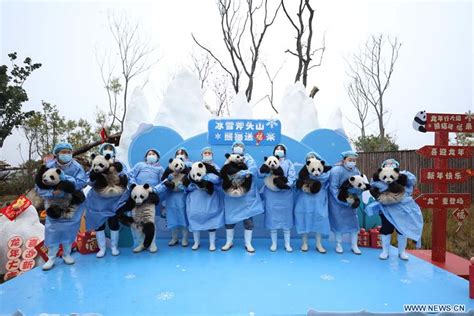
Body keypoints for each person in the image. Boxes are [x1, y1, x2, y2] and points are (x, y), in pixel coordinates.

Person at [37, 142, 87, 270]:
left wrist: (65, 179)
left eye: (68, 152)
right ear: (56, 154)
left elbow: (82, 182)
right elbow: (39, 187)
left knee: (69, 229)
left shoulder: (76, 167)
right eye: (63, 152)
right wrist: (52, 193)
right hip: (53, 203)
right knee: (52, 229)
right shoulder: (48, 166)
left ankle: (66, 254)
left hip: (72, 203)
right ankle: (51, 257)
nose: (66, 154)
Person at [365, 159, 423, 260]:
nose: (389, 166)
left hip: (402, 208)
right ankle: (385, 251)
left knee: (402, 230)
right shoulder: (378, 177)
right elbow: (373, 187)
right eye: (387, 165)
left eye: (392, 165)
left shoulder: (404, 175)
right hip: (387, 209)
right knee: (386, 229)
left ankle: (402, 252)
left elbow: (413, 180)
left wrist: (400, 175)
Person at [221, 141, 264, 253]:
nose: (238, 147)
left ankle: (248, 243)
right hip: (232, 195)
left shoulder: (248, 159)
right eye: (236, 146)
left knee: (248, 220)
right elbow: (224, 172)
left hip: (245, 195)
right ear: (232, 149)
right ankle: (229, 242)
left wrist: (245, 173)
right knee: (230, 220)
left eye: (240, 146)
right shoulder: (229, 159)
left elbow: (253, 169)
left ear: (244, 150)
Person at [86, 143, 128, 258]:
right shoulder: (97, 162)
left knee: (113, 222)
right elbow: (88, 180)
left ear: (114, 152)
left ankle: (114, 247)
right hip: (98, 200)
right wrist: (93, 176)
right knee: (98, 224)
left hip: (114, 200)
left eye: (110, 149)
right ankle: (102, 248)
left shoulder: (120, 164)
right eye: (105, 149)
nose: (108, 150)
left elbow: (126, 176)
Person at [186, 147, 224, 251]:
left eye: (209, 153)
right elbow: (188, 179)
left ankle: (212, 243)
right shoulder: (195, 165)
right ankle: (196, 243)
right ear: (201, 155)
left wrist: (206, 177)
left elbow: (219, 179)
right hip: (196, 197)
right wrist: (191, 186)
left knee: (212, 219)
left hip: (210, 197)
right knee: (194, 217)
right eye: (205, 153)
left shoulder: (215, 166)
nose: (207, 154)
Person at [259, 144, 296, 252]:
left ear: (285, 152)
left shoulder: (288, 163)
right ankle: (274, 244)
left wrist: (286, 186)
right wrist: (266, 169)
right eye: (277, 149)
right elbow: (259, 174)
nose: (279, 151)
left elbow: (292, 176)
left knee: (286, 219)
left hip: (285, 195)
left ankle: (287, 244)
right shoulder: (269, 161)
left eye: (281, 149)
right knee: (272, 219)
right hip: (271, 194)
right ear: (274, 151)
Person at [294, 152, 331, 253]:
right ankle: (304, 243)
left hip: (319, 199)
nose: (311, 159)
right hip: (305, 200)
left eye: (313, 157)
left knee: (319, 219)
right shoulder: (303, 173)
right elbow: (297, 183)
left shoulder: (325, 174)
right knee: (304, 219)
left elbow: (326, 178)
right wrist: (302, 185)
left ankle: (319, 244)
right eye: (308, 158)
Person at [328, 150, 362, 255]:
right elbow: (333, 187)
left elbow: (359, 185)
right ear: (344, 160)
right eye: (349, 160)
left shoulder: (356, 171)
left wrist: (355, 197)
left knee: (354, 224)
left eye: (354, 160)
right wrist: (342, 199)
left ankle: (354, 245)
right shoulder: (336, 171)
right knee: (339, 224)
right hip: (338, 203)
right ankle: (338, 244)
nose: (352, 162)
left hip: (352, 202)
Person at [161, 148, 191, 247]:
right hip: (171, 196)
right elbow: (163, 180)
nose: (180, 155)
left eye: (182, 153)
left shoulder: (188, 166)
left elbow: (191, 180)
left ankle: (185, 238)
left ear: (186, 156)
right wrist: (168, 180)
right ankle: (174, 238)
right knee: (172, 217)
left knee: (183, 216)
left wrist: (184, 186)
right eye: (178, 153)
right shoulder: (169, 168)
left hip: (182, 196)